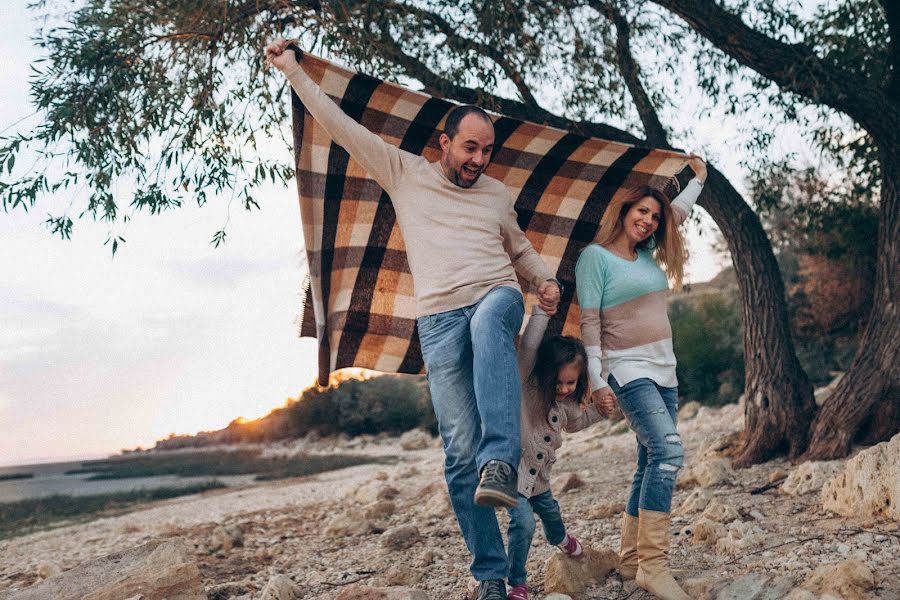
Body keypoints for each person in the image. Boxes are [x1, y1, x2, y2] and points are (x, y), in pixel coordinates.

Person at [265, 40, 561, 600]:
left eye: (487, 152)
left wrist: (542, 280)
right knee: (456, 453)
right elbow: (340, 124)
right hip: (439, 320)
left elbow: (519, 250)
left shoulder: (497, 194)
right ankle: (491, 576)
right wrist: (293, 72)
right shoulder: (403, 173)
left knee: (492, 316)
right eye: (470, 148)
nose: (479, 160)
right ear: (444, 143)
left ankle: (500, 463)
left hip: (496, 296)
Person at [574, 157, 707, 600]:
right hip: (626, 369)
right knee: (669, 452)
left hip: (663, 366)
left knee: (649, 460)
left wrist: (698, 180)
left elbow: (679, 213)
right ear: (624, 211)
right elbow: (589, 324)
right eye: (642, 212)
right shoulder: (595, 258)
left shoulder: (647, 253)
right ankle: (654, 565)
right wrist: (596, 380)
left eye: (654, 215)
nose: (649, 221)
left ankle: (631, 561)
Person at [505, 306, 616, 600]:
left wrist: (598, 411)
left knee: (552, 513)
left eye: (572, 382)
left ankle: (560, 538)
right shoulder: (527, 387)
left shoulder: (566, 405)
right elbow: (529, 346)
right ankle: (516, 582)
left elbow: (577, 423)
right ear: (544, 374)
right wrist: (542, 311)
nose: (565, 388)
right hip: (513, 477)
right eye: (558, 382)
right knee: (524, 524)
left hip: (540, 481)